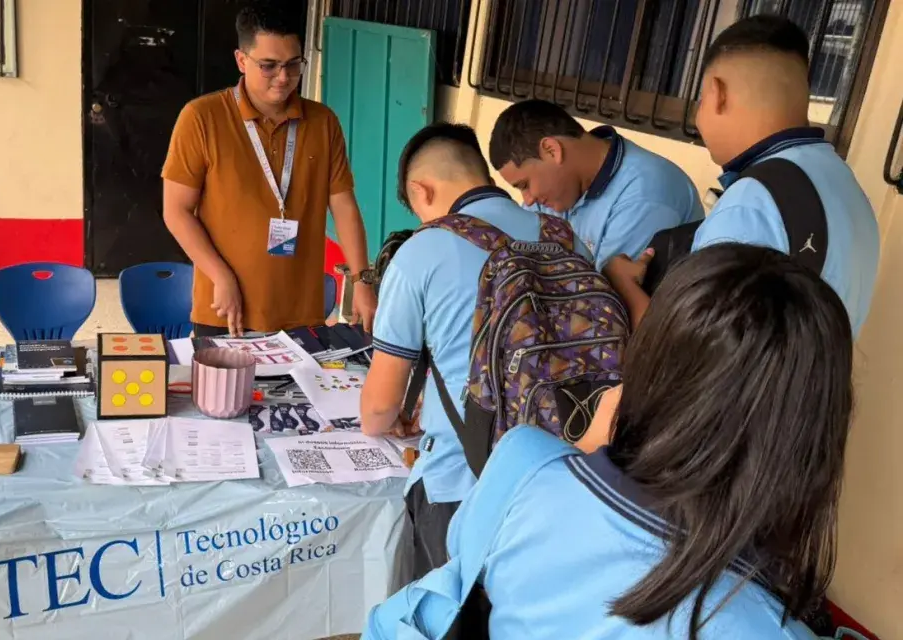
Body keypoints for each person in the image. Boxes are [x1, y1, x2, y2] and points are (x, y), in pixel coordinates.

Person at [365, 243, 853, 639]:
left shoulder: (521, 464)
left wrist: (580, 453)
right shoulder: (762, 625)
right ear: (812, 436)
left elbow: (464, 574)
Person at [360, 122, 592, 581]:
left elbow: (379, 410)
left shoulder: (422, 251)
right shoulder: (566, 237)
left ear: (420, 190)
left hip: (463, 487)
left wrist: (394, 415)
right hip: (566, 476)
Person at [605, 15, 879, 337]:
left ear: (716, 92)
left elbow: (694, 354)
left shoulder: (752, 203)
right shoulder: (844, 183)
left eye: (701, 102)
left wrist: (623, 286)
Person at [161, 2, 377, 337]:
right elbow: (176, 211)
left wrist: (362, 281)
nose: (283, 78)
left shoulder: (322, 123)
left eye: (293, 65)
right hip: (224, 308)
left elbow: (344, 206)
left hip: (300, 312)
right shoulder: (202, 118)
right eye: (269, 66)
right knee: (225, 391)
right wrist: (221, 276)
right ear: (241, 60)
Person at [489, 99, 703, 270]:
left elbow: (602, 302)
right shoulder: (559, 191)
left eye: (524, 185)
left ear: (552, 150)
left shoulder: (646, 191)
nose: (528, 200)